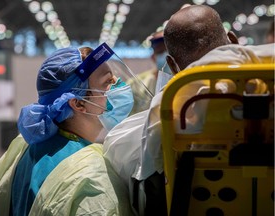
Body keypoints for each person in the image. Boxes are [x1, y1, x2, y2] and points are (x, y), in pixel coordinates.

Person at [103, 4, 275, 215]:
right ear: (233, 40)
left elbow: (147, 182)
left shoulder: (172, 106)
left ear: (172, 65)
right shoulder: (268, 79)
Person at [0, 43, 152, 216]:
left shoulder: (24, 150)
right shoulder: (91, 175)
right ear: (78, 103)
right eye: (108, 82)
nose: (118, 84)